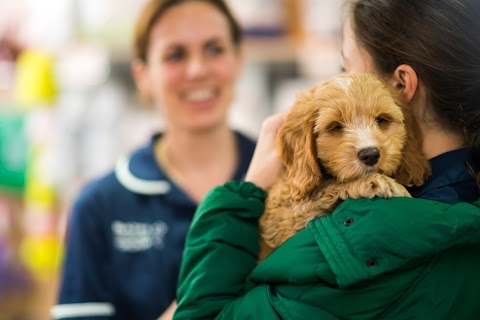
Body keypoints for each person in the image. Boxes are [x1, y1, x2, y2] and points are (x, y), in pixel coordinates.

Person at [173, 0, 480, 319]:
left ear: (401, 86)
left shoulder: (358, 240)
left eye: (346, 67)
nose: (340, 82)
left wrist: (244, 194)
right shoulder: (466, 193)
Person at [51, 1, 256, 319]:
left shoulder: (289, 179)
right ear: (143, 75)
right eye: (176, 55)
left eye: (214, 49)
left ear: (238, 59)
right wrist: (206, 285)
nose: (198, 70)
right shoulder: (98, 206)